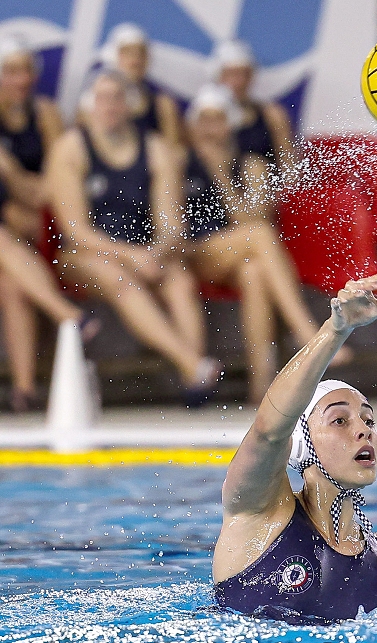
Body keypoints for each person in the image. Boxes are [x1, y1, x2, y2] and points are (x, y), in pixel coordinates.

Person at [213, 271, 377, 625]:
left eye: (369, 421)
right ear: (301, 443)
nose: (363, 431)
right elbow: (268, 430)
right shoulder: (257, 517)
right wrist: (336, 331)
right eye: (340, 421)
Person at [47, 69, 220, 404]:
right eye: (102, 97)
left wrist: (157, 252)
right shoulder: (70, 149)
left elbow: (171, 223)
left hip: (144, 253)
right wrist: (131, 255)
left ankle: (195, 384)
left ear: (130, 105)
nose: (109, 105)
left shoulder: (155, 149)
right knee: (121, 278)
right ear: (88, 105)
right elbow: (75, 231)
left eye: (117, 97)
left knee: (179, 279)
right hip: (83, 255)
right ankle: (193, 363)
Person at [182, 84, 341, 403]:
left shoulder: (253, 165)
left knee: (254, 270)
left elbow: (250, 219)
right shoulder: (177, 161)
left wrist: (222, 177)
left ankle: (262, 385)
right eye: (204, 120)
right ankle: (307, 332)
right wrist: (211, 168)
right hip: (195, 256)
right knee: (260, 237)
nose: (210, 129)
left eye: (218, 119)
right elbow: (179, 230)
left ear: (232, 123)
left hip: (237, 257)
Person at [0, 37, 96, 411]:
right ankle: (67, 315)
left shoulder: (46, 115)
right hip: (13, 235)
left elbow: (52, 191)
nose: (21, 80)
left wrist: (12, 175)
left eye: (26, 71)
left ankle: (24, 390)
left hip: (32, 237)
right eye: (11, 72)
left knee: (11, 282)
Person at [211, 40, 294, 171]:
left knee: (254, 167)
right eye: (231, 75)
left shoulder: (271, 114)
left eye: (243, 74)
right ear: (218, 76)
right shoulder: (205, 116)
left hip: (262, 182)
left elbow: (289, 164)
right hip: (221, 185)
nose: (238, 82)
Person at [99, 23, 183, 145]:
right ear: (113, 55)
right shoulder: (90, 102)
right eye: (127, 53)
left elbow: (172, 152)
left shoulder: (163, 106)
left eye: (141, 53)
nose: (135, 60)